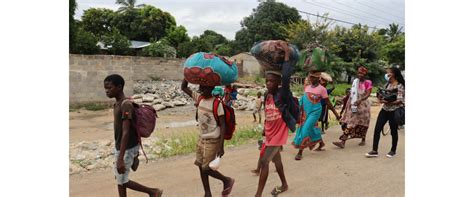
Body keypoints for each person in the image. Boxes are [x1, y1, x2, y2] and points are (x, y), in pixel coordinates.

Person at [103, 74, 163, 197]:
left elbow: (126, 132)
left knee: (122, 180)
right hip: (121, 147)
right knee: (120, 178)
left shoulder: (126, 105)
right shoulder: (117, 103)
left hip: (126, 148)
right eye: (105, 88)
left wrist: (120, 158)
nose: (107, 91)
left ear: (119, 87)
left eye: (109, 88)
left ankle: (153, 192)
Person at [181, 79, 235, 197]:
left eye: (204, 87)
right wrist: (187, 76)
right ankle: (207, 193)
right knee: (200, 165)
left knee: (206, 168)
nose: (201, 89)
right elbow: (184, 87)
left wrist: (221, 146)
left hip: (213, 140)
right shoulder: (199, 98)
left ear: (211, 88)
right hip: (201, 138)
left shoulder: (217, 103)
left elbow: (223, 125)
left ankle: (226, 180)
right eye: (201, 87)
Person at [255, 56, 298, 197]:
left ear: (279, 83)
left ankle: (258, 194)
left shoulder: (282, 94)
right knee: (276, 160)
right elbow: (268, 112)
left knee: (264, 161)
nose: (268, 84)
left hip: (278, 134)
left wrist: (286, 57)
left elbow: (286, 77)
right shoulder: (268, 95)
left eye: (272, 81)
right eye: (267, 81)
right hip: (270, 133)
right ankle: (284, 184)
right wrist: (264, 128)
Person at [292, 70, 341, 160]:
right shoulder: (307, 87)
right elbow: (303, 99)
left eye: (313, 77)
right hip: (306, 112)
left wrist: (336, 114)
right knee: (312, 129)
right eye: (310, 76)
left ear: (318, 78)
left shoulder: (322, 89)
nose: (311, 78)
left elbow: (328, 103)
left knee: (306, 128)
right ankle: (321, 143)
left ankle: (300, 151)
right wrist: (299, 111)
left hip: (315, 112)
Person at [366, 67, 405, 158]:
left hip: (394, 110)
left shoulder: (400, 85)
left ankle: (393, 150)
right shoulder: (387, 84)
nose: (387, 75)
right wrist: (380, 97)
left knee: (393, 131)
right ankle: (374, 150)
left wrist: (387, 102)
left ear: (394, 74)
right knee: (377, 129)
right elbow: (384, 94)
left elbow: (400, 100)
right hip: (385, 109)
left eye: (389, 73)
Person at [333, 66, 373, 148]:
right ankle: (343, 141)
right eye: (359, 72)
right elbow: (352, 93)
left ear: (365, 74)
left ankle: (362, 139)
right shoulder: (355, 81)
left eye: (362, 73)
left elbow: (368, 94)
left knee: (363, 123)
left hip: (363, 106)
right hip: (353, 105)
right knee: (350, 122)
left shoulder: (368, 82)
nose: (360, 74)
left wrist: (360, 100)